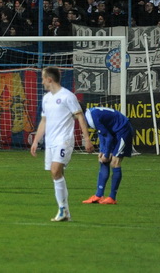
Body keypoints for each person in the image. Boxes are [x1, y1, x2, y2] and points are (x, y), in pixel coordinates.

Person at [31, 66, 94, 222]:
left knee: (55, 171)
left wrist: (86, 139)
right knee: (56, 175)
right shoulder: (46, 98)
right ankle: (65, 211)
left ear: (49, 79)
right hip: (50, 142)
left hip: (64, 140)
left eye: (43, 78)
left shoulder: (67, 96)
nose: (42, 82)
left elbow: (80, 116)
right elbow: (44, 121)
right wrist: (36, 141)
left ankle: (62, 210)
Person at [81, 105, 133, 205]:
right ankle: (98, 195)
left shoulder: (91, 118)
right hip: (113, 131)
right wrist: (103, 151)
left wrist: (106, 153)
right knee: (103, 160)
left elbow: (108, 137)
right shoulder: (90, 114)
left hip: (123, 131)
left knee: (115, 162)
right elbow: (103, 134)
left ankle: (112, 197)